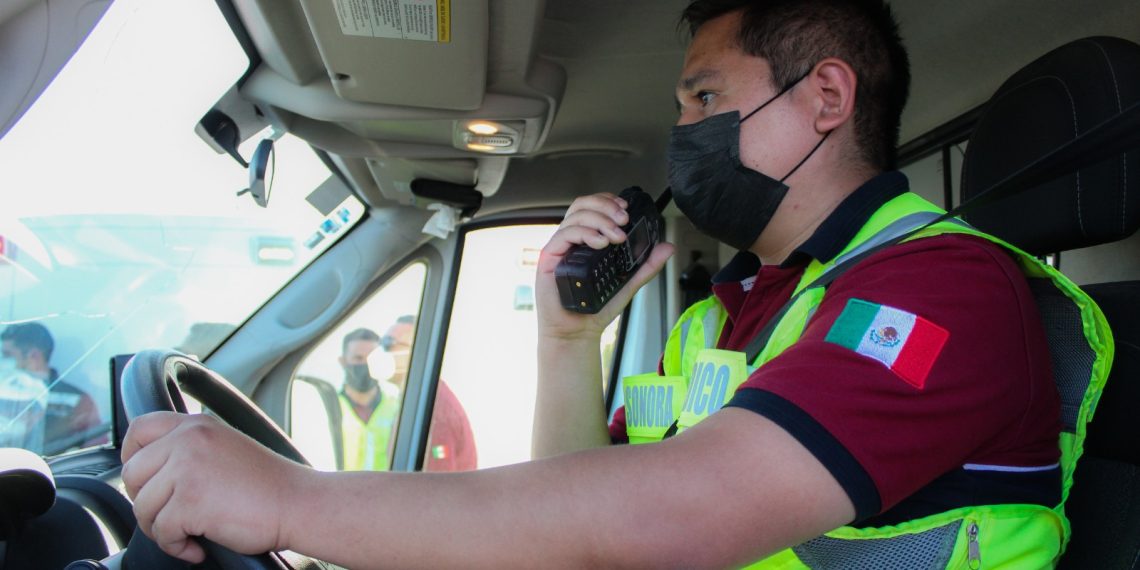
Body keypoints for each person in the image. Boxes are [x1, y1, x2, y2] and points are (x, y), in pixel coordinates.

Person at [120, 1, 1108, 567]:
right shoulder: (737, 313)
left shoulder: (941, 289)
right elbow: (590, 508)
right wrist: (565, 343)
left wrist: (291, 502)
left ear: (826, 99)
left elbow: (665, 517)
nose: (684, 135)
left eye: (706, 99)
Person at [381, 315, 477, 472]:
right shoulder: (417, 400)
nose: (381, 352)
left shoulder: (433, 410)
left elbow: (433, 485)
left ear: (416, 353)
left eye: (388, 344)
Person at [1, 322, 104, 456]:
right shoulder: (3, 394)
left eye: (7, 355)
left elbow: (94, 453)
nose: (2, 362)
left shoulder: (77, 401)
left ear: (34, 356)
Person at [337, 327, 402, 471]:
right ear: (343, 362)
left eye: (371, 359)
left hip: (385, 491)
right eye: (358, 358)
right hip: (339, 491)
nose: (365, 365)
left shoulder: (398, 409)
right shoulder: (329, 408)